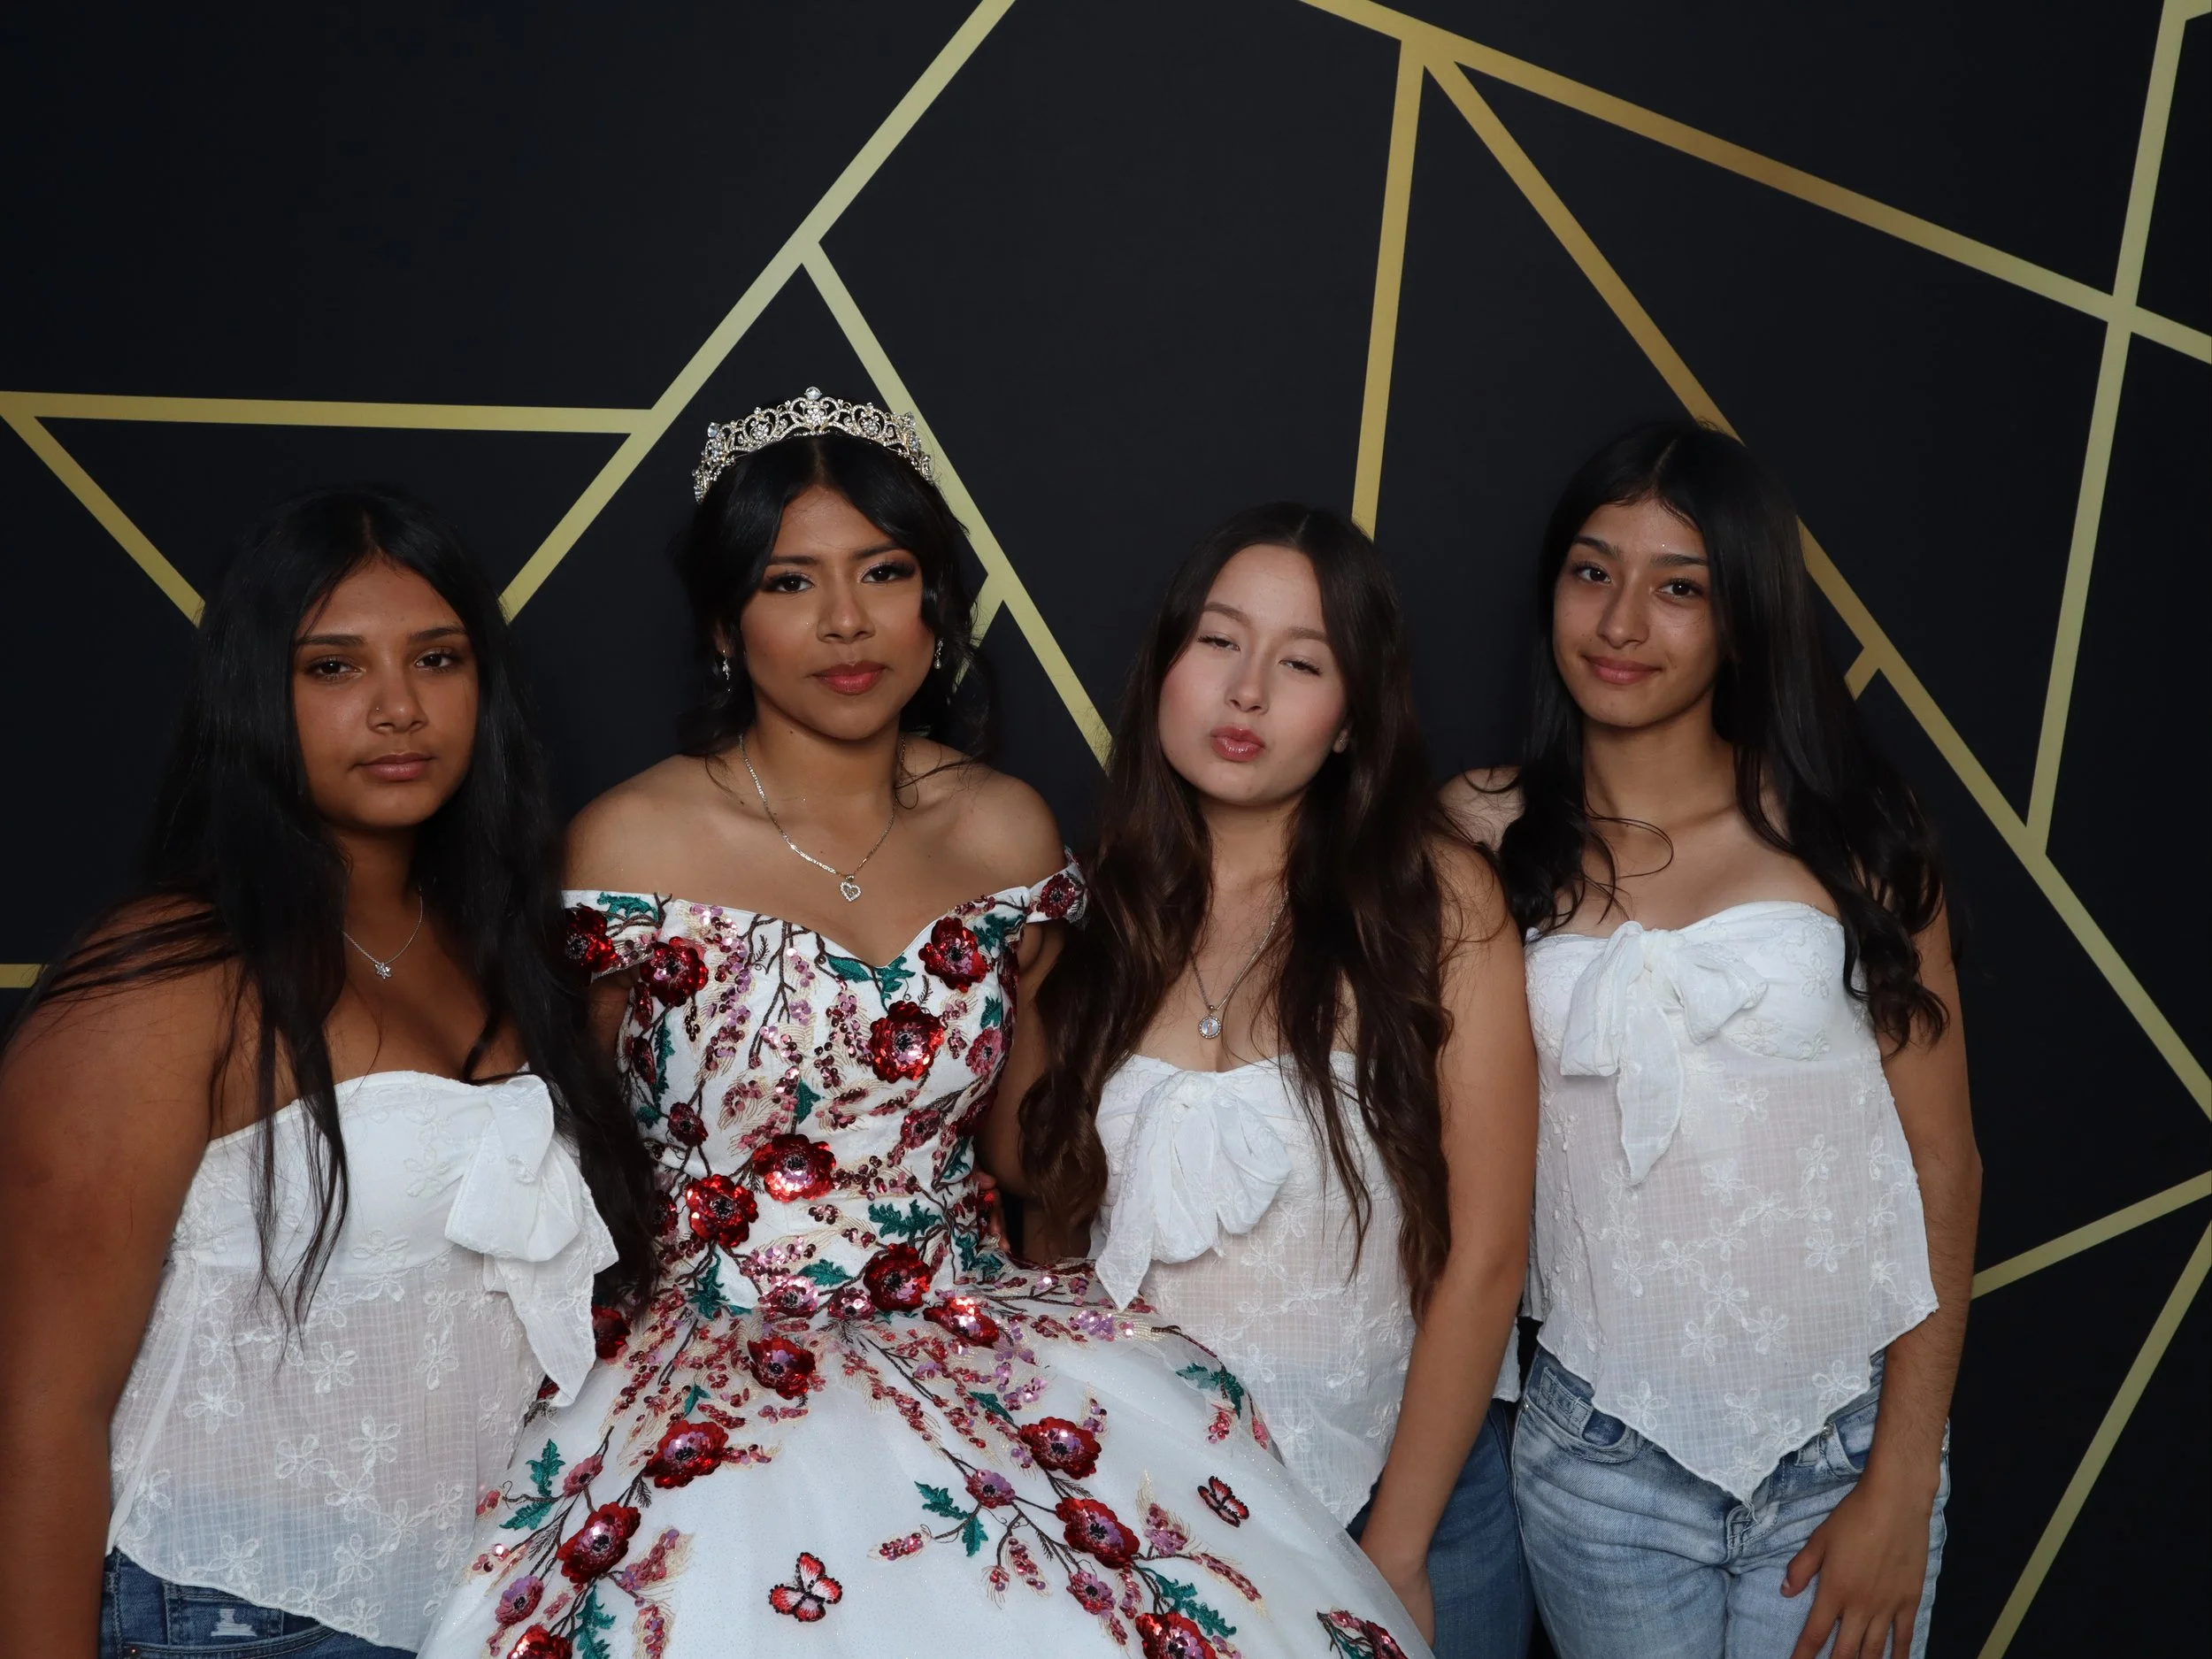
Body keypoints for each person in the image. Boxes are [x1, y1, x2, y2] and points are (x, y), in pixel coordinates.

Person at [419, 390, 1430, 1659]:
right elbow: (562, 1156)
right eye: (792, 581)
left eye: (884, 573)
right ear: (726, 624)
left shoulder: (1003, 829)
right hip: (702, 1362)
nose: (847, 622)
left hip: (970, 1330)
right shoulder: (631, 841)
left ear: (933, 604)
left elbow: (1027, 1146)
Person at [0, 487, 661, 1659]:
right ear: (258, 691)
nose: (398, 708)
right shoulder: (168, 973)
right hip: (228, 1615)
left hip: (483, 1603)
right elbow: (39, 1417)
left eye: (437, 658)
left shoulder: (498, 951)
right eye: (333, 668)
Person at [1448, 421, 1979, 1659]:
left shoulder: (1857, 835)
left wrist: (1901, 1481)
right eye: (1593, 571)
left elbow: (1944, 1166)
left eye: (1678, 586)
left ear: (1741, 614)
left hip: (1843, 1447)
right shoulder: (1484, 838)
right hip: (1600, 1460)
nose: (1623, 620)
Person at [1008, 504, 1539, 1658]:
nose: (1246, 691)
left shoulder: (1437, 902)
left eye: (1302, 662)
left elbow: (1489, 1249)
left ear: (1353, 719)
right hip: (1149, 1521)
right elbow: (1050, 1237)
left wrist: (1392, 1551)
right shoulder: (1085, 911)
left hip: (1406, 1507)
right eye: (1219, 642)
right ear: (1164, 668)